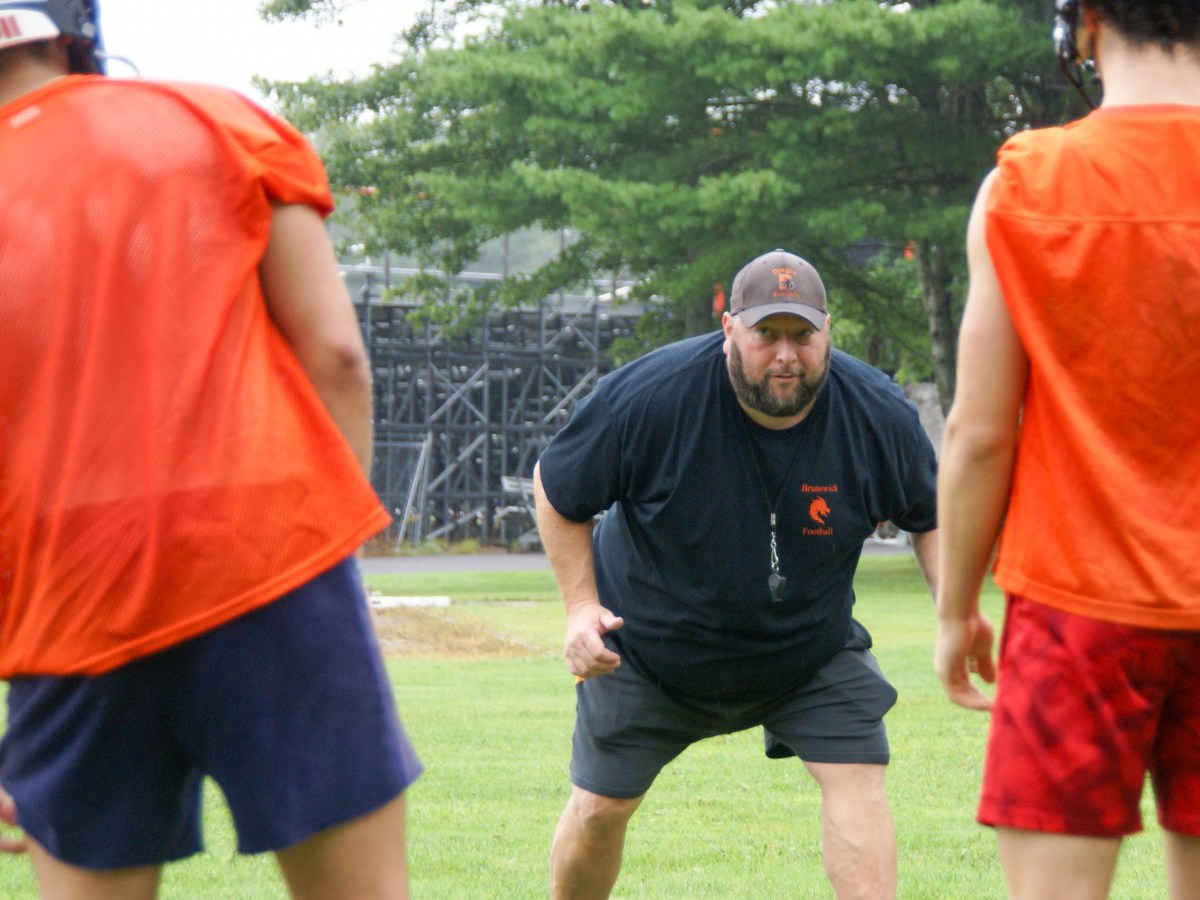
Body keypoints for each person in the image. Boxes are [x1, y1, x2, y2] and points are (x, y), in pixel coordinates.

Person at [0, 3, 422, 897]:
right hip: (265, 548)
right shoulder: (212, 121)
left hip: (67, 592)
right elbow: (337, 356)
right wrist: (329, 564)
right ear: (72, 28)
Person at [534, 249, 939, 899]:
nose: (786, 355)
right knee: (599, 809)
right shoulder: (653, 397)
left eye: (802, 335)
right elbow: (557, 490)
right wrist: (581, 609)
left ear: (827, 330)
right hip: (650, 650)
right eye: (767, 335)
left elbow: (931, 515)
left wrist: (954, 616)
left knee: (858, 773)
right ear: (730, 330)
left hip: (807, 649)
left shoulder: (875, 412)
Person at [934, 2, 1200, 897]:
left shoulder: (1028, 184)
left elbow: (978, 432)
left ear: (1082, 25)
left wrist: (956, 607)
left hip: (1074, 610)